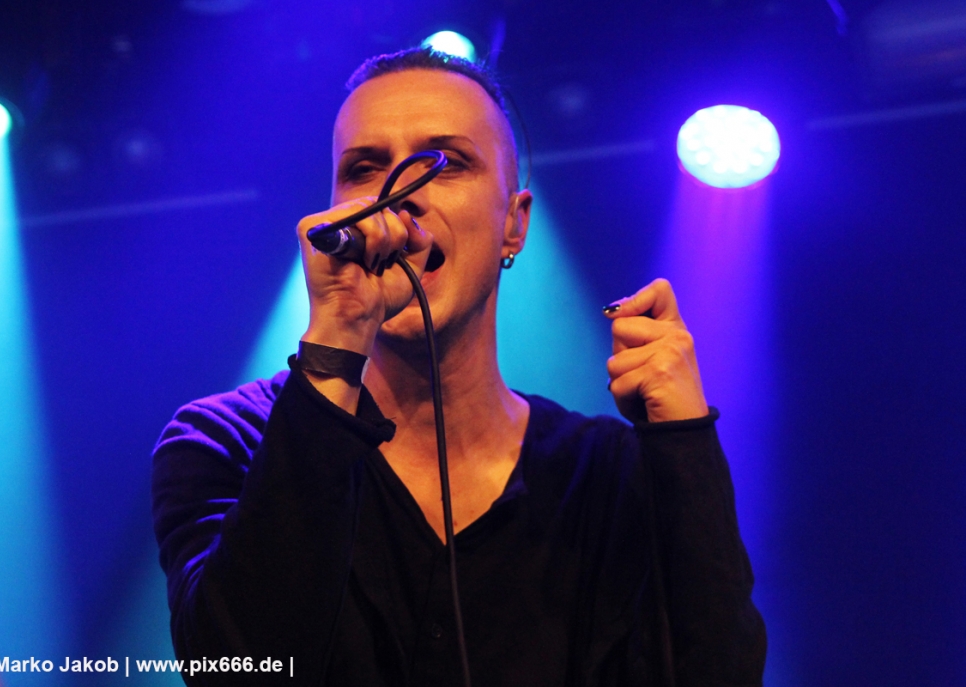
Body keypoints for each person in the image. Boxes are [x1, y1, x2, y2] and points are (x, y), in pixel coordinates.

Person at [152, 47, 766, 686]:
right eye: (364, 168)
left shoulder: (608, 472)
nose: (398, 197)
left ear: (513, 225)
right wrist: (336, 340)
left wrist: (684, 444)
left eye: (444, 163)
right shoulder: (226, 441)